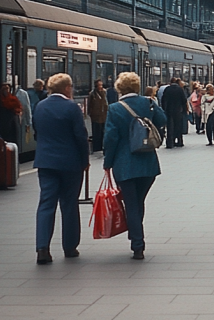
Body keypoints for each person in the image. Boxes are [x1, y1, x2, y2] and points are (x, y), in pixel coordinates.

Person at [103, 72, 167, 260]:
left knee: (131, 204)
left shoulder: (114, 108)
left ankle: (138, 244)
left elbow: (111, 139)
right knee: (138, 202)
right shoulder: (148, 103)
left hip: (124, 165)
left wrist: (107, 163)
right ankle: (136, 236)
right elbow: (162, 120)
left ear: (119, 88)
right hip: (148, 163)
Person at [32, 73, 89, 264]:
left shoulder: (40, 106)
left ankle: (42, 248)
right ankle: (70, 246)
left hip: (45, 162)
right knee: (69, 204)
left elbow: (37, 132)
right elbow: (80, 136)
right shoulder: (72, 108)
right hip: (70, 163)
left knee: (46, 204)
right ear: (66, 88)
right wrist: (84, 160)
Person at [161, 77, 188, 148]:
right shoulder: (180, 89)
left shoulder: (167, 89)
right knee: (178, 126)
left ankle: (170, 142)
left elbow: (163, 100)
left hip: (169, 110)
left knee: (170, 127)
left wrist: (164, 109)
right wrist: (184, 110)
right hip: (178, 111)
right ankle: (179, 141)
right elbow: (184, 100)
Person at [87, 79, 109, 153]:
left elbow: (106, 102)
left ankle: (103, 147)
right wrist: (90, 114)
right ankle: (96, 147)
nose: (101, 87)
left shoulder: (104, 92)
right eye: (99, 85)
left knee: (103, 132)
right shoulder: (92, 94)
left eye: (101, 85)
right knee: (96, 133)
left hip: (104, 116)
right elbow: (89, 105)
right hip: (96, 116)